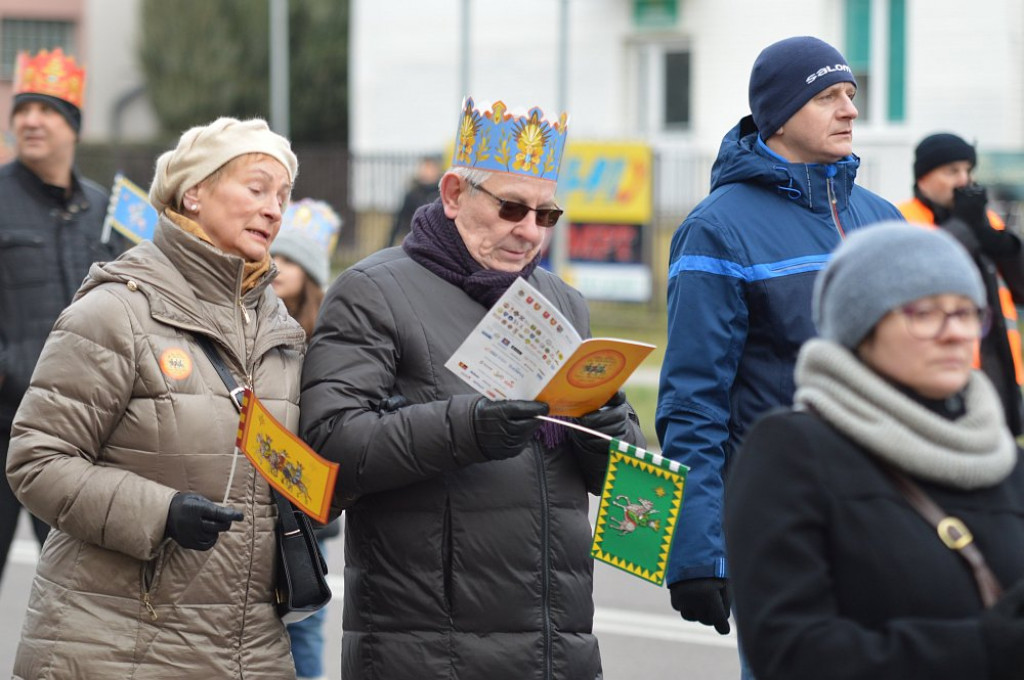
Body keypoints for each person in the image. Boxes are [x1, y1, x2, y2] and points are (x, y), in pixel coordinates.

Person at [300, 96, 644, 680]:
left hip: (558, 646)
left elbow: (634, 490)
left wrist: (607, 424)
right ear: (455, 194)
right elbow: (327, 449)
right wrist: (467, 428)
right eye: (512, 208)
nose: (530, 231)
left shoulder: (564, 304)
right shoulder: (374, 291)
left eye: (546, 214)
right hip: (429, 649)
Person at [6, 116, 304, 678]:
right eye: (257, 188)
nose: (273, 209)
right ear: (194, 192)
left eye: (283, 196)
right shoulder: (115, 311)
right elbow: (36, 461)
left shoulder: (279, 327)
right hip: (116, 646)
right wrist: (160, 512)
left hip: (251, 652)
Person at [655, 35, 904, 648]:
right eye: (826, 97)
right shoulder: (717, 230)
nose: (849, 109)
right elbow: (694, 402)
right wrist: (696, 549)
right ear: (778, 116)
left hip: (894, 516)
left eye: (851, 94)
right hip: (788, 524)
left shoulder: (883, 219)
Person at [725, 222, 1024, 680]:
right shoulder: (793, 452)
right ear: (862, 328)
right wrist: (982, 646)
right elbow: (790, 652)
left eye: (966, 312)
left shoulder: (1003, 459)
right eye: (925, 312)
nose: (955, 333)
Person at [0, 47, 124, 587]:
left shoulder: (108, 209)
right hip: (4, 420)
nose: (30, 119)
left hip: (81, 435)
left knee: (81, 593)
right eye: (22, 108)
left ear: (72, 124)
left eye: (47, 109)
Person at [898, 132, 1024, 435]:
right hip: (937, 375)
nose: (964, 180)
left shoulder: (984, 220)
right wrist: (964, 228)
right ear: (924, 176)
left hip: (999, 373)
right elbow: (924, 276)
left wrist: (993, 236)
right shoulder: (901, 219)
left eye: (968, 171)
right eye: (952, 171)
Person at [270, 197, 342, 680]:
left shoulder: (326, 339)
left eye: (292, 259)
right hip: (252, 488)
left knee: (304, 619)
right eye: (276, 254)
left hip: (303, 499)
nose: (279, 267)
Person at [386, 154, 441, 246]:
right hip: (415, 240)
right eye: (425, 168)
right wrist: (389, 244)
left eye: (430, 168)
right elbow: (400, 221)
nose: (427, 172)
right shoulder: (413, 194)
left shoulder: (442, 194)